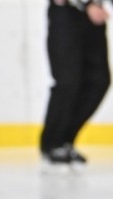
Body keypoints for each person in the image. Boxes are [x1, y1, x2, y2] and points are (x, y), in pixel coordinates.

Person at [40, 0, 111, 167]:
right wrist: (87, 4)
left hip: (94, 19)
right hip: (66, 14)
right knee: (68, 82)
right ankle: (52, 143)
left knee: (99, 81)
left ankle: (65, 140)